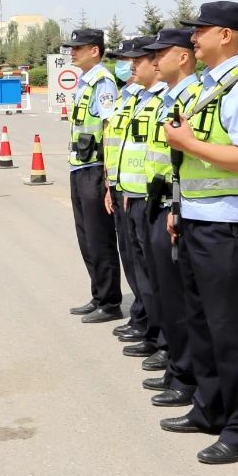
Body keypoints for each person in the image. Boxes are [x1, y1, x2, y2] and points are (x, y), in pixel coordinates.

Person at [159, 1, 238, 464]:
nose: (194, 37)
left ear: (225, 35)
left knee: (233, 330)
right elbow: (190, 161)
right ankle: (209, 408)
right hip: (197, 219)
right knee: (201, 324)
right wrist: (179, 208)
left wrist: (188, 142)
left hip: (231, 225)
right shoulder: (210, 86)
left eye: (201, 30)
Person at [141, 27, 201, 408]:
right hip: (159, 202)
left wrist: (175, 207)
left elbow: (187, 159)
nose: (154, 60)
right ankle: (178, 369)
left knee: (182, 303)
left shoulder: (193, 97)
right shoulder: (170, 97)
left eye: (162, 53)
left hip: (176, 206)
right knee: (167, 294)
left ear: (182, 57)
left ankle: (186, 376)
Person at [110, 37, 167, 365]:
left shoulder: (165, 98)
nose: (130, 66)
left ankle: (159, 337)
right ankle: (149, 329)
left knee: (155, 274)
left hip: (151, 196)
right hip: (128, 190)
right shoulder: (136, 96)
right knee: (138, 267)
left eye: (138, 59)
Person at [64, 28, 122, 323]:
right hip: (80, 167)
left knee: (100, 238)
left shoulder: (103, 83)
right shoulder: (86, 83)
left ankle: (110, 302)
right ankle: (98, 295)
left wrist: (109, 178)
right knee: (86, 237)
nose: (72, 52)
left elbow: (110, 129)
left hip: (96, 169)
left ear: (95, 51)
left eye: (78, 47)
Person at [101, 39, 148, 344]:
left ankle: (149, 325)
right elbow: (114, 141)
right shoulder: (125, 96)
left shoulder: (150, 98)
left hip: (141, 192)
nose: (128, 65)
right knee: (130, 260)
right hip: (121, 186)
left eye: (133, 59)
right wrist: (110, 183)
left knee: (146, 267)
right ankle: (141, 319)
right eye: (123, 60)